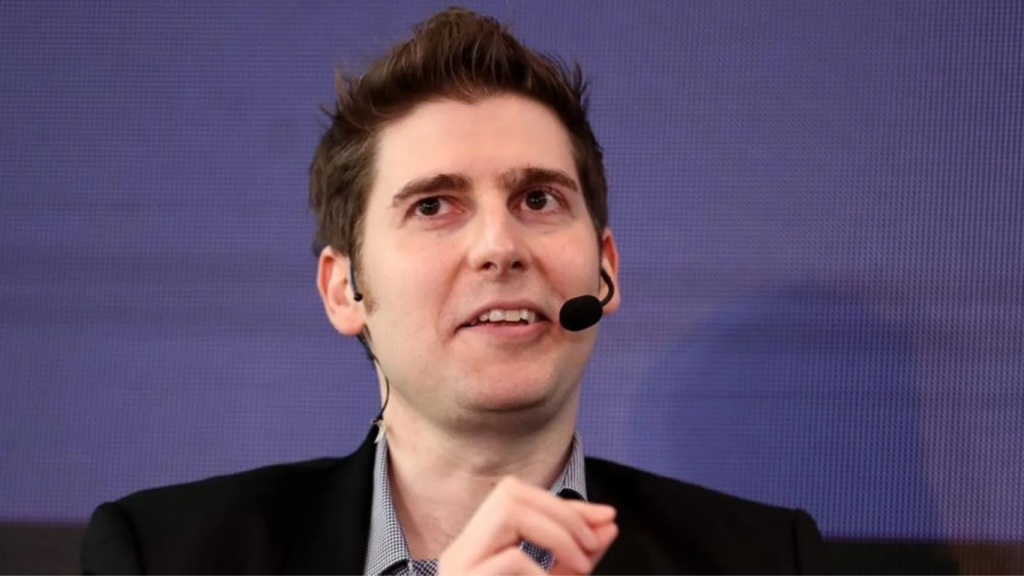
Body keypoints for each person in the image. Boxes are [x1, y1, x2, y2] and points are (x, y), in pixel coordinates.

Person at [81, 7, 828, 575]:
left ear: (604, 272)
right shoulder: (166, 556)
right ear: (345, 288)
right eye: (434, 206)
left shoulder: (768, 560)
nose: (500, 247)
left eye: (538, 200)